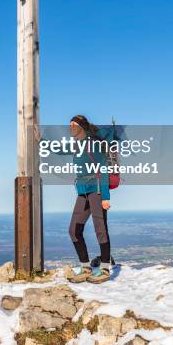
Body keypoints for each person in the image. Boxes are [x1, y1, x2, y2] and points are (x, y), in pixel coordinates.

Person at [67, 114, 112, 284]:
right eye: (70, 124)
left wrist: (105, 197)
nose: (71, 127)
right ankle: (85, 267)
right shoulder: (77, 145)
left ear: (82, 127)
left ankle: (105, 269)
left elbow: (103, 168)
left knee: (100, 229)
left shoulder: (93, 143)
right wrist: (40, 140)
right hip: (82, 192)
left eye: (74, 124)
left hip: (97, 191)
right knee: (74, 230)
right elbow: (60, 149)